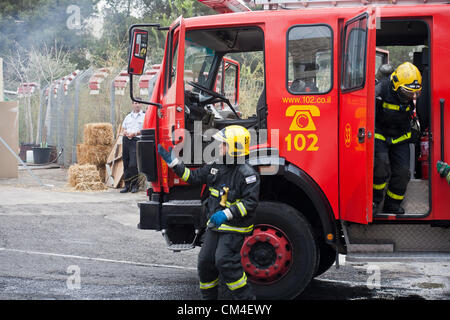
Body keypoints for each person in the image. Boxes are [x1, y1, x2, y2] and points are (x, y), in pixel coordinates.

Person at [157, 125, 260, 300]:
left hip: (234, 227)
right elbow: (193, 177)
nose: (219, 147)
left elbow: (250, 203)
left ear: (235, 147)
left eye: (223, 144)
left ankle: (247, 301)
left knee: (224, 261)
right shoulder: (216, 166)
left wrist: (226, 214)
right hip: (215, 225)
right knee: (205, 263)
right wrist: (174, 163)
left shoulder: (248, 174)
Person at [373, 62, 422, 214]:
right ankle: (374, 200)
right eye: (407, 93)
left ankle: (392, 204)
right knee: (381, 166)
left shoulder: (408, 96)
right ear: (395, 84)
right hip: (380, 134)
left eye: (414, 93)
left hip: (400, 137)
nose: (411, 97)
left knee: (403, 173)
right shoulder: (380, 89)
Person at [120, 100, 145, 193]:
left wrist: (134, 133)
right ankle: (127, 186)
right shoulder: (128, 117)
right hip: (126, 140)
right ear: (132, 105)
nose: (137, 105)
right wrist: (125, 132)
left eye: (138, 103)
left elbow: (144, 130)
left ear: (141, 104)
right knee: (126, 164)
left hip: (136, 140)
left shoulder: (144, 116)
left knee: (133, 164)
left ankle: (135, 185)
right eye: (135, 103)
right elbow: (124, 128)